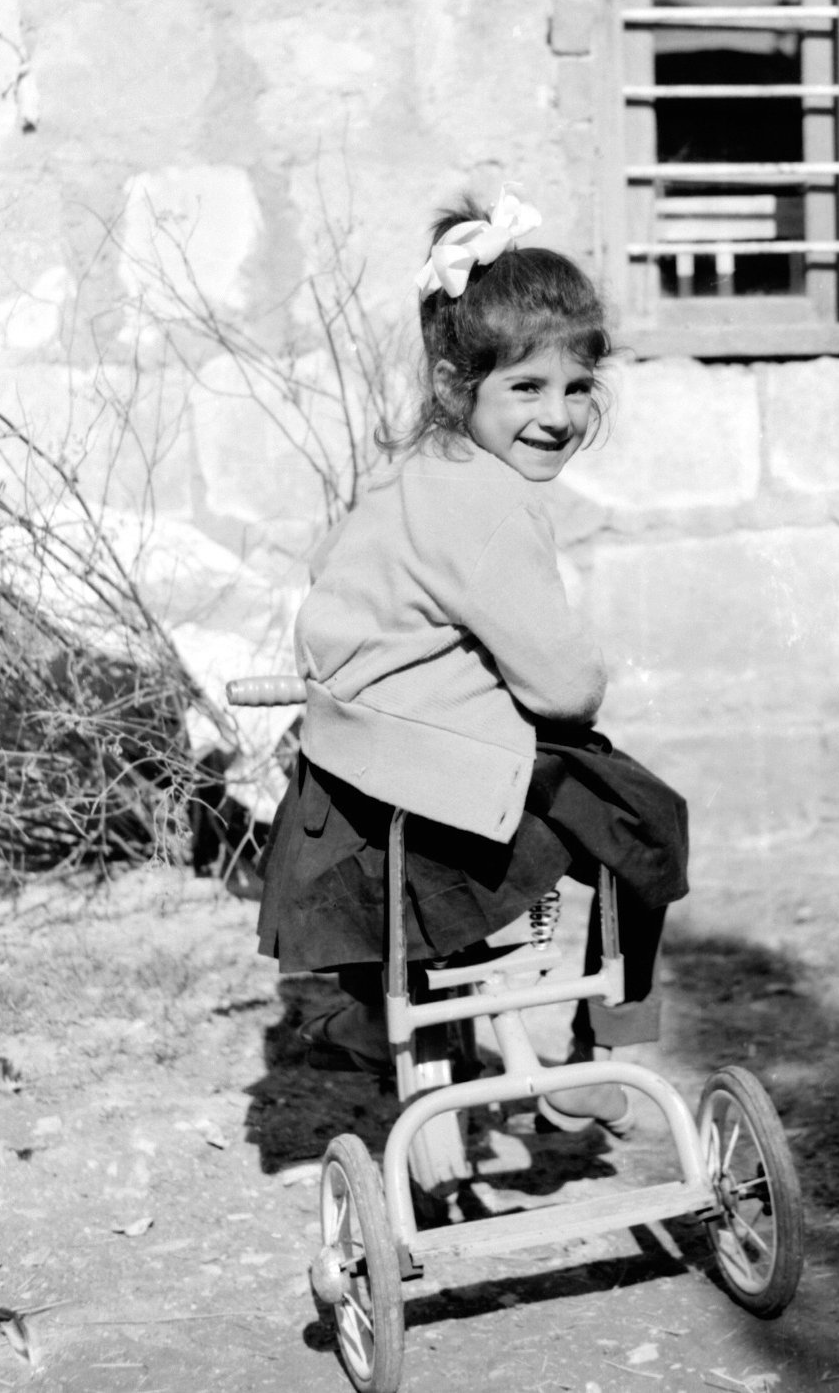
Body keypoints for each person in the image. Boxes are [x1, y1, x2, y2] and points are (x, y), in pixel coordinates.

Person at [257, 189, 688, 1132]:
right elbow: (562, 687)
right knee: (649, 824)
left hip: (346, 791)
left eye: (578, 388)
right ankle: (606, 1050)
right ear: (458, 388)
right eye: (527, 389)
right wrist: (578, 678)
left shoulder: (402, 482)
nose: (559, 416)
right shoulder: (496, 511)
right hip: (446, 790)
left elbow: (336, 595)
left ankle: (374, 1015)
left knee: (455, 815)